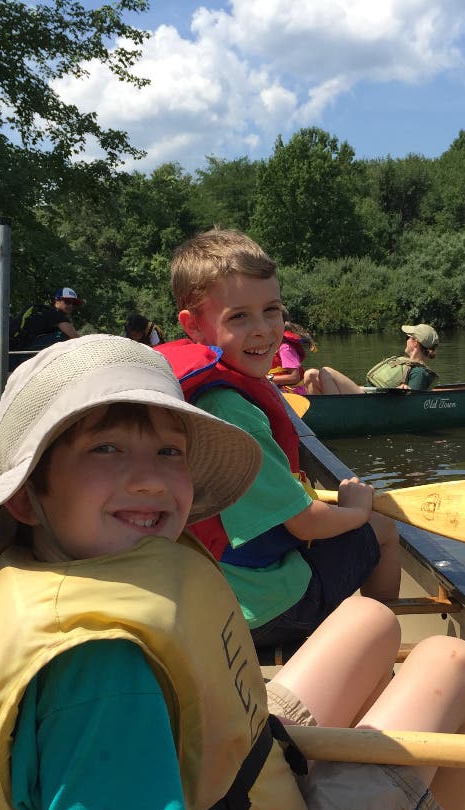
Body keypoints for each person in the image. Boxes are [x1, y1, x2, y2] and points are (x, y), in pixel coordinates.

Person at [0, 335, 465, 810]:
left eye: (169, 451)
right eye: (105, 448)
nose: (151, 477)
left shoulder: (45, 569)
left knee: (370, 618)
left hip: (245, 774)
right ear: (26, 493)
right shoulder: (100, 673)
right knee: (455, 661)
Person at [156, 229, 402, 650]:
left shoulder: (187, 394)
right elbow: (305, 522)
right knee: (384, 527)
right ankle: (383, 642)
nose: (264, 330)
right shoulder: (234, 415)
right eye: (239, 316)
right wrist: (357, 511)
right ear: (192, 326)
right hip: (264, 610)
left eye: (272, 310)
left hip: (209, 592)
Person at [304, 324, 439, 395]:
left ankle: (332, 416)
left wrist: (406, 390)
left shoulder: (420, 372)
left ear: (415, 342)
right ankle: (318, 414)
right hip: (365, 392)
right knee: (311, 374)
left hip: (369, 402)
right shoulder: (405, 362)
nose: (406, 340)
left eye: (408, 337)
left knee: (326, 371)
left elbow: (416, 404)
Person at [10, 287, 82, 359]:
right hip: (22, 353)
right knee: (64, 336)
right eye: (68, 302)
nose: (71, 306)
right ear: (57, 300)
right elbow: (75, 337)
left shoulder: (45, 312)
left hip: (15, 349)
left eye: (74, 304)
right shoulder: (56, 315)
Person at [269, 321, 316, 393]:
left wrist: (268, 379)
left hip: (294, 392)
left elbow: (294, 377)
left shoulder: (285, 349)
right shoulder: (270, 349)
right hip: (280, 389)